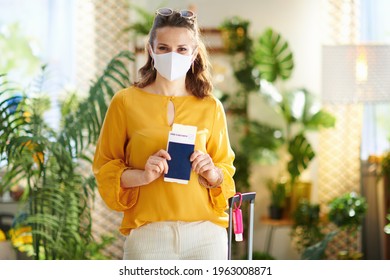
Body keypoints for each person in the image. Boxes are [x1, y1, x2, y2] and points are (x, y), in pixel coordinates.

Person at [92, 7, 236, 260]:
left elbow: (225, 172)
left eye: (181, 49)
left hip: (206, 238)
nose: (173, 55)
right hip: (148, 237)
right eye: (163, 48)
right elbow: (105, 168)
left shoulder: (211, 106)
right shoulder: (125, 102)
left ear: (193, 55)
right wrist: (142, 175)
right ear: (151, 50)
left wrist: (211, 173)